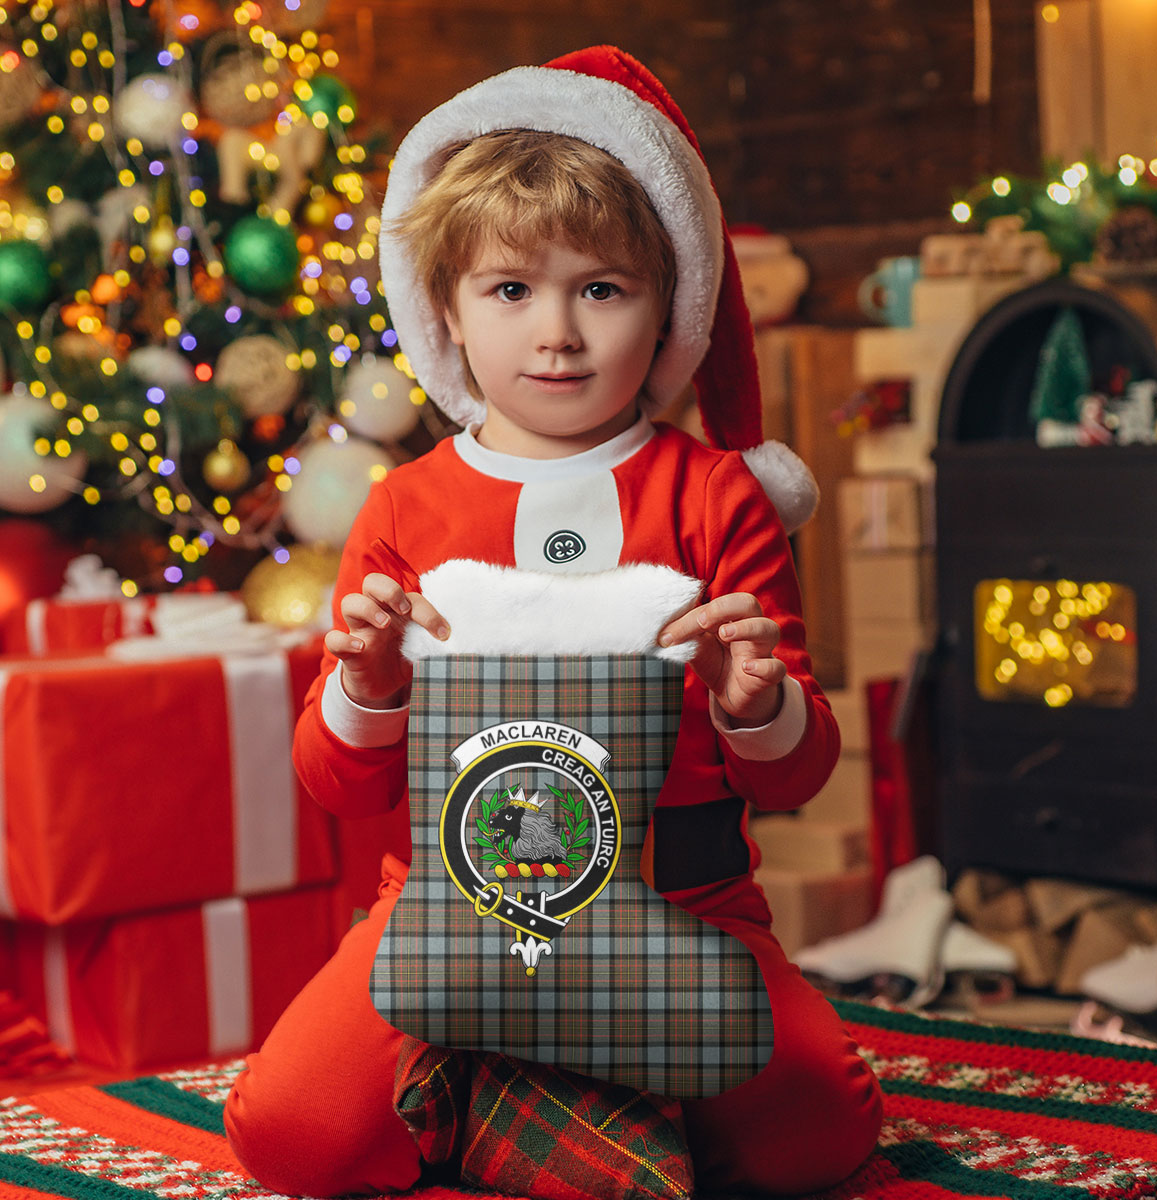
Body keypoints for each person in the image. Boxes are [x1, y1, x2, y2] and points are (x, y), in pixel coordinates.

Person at [224, 45, 882, 1198]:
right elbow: (338, 784)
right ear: (447, 310)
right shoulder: (406, 504)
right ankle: (540, 1086)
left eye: (602, 288)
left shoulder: (716, 496)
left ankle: (528, 1087)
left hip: (687, 903)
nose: (558, 334)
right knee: (293, 1136)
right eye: (512, 289)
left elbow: (796, 780)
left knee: (816, 1137)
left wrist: (760, 705)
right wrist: (369, 686)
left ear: (665, 303)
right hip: (446, 901)